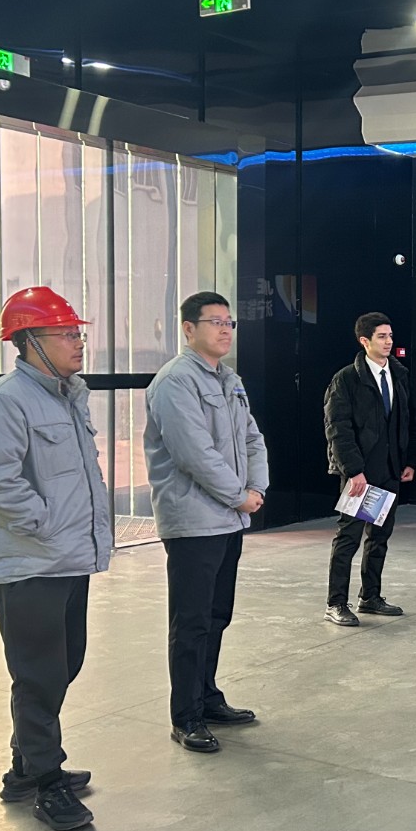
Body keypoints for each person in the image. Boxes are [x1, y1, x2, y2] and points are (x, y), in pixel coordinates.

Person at [0, 286, 111, 831]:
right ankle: (48, 784)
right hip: (29, 566)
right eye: (66, 334)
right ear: (29, 341)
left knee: (63, 665)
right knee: (38, 675)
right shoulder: (5, 402)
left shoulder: (68, 397)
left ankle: (24, 768)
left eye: (78, 333)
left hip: (68, 559)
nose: (78, 342)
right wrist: (45, 524)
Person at [144, 291, 270, 753]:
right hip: (193, 521)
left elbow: (253, 439)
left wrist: (256, 489)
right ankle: (186, 716)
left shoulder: (229, 379)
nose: (225, 330)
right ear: (188, 329)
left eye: (229, 322)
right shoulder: (175, 382)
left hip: (229, 519)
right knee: (191, 621)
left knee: (217, 615)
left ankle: (208, 697)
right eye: (215, 322)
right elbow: (194, 454)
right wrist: (240, 496)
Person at [323, 312, 416, 625]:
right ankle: (336, 603)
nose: (389, 341)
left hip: (390, 470)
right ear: (365, 341)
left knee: (379, 537)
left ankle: (370, 597)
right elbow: (338, 428)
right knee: (348, 538)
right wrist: (353, 470)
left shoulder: (398, 374)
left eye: (390, 336)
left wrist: (409, 460)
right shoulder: (347, 379)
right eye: (382, 336)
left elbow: (408, 419)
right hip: (361, 474)